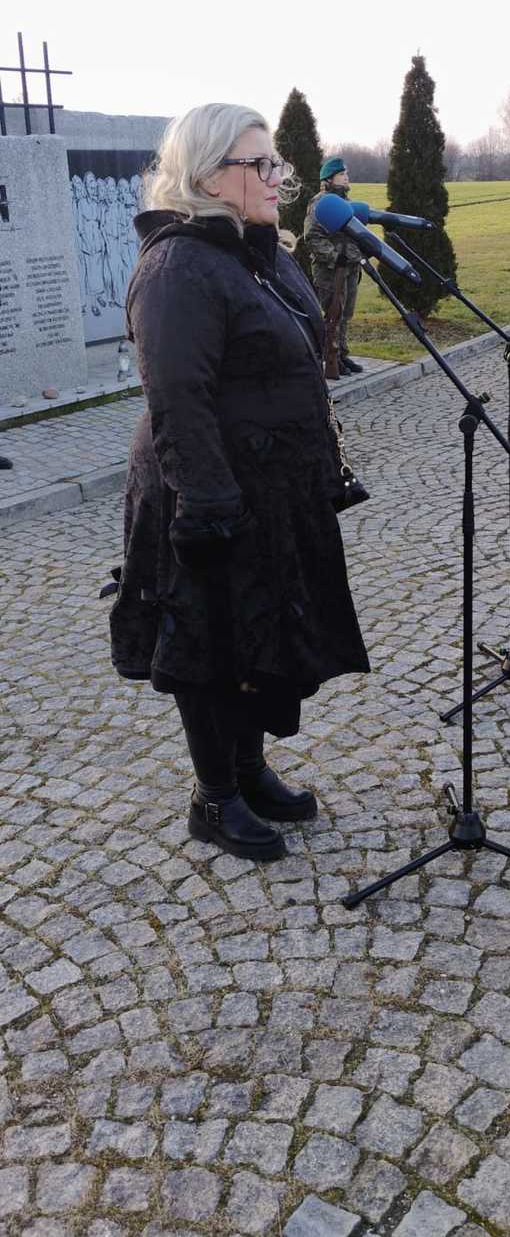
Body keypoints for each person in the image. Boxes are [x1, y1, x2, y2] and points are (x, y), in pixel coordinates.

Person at [108, 104, 369, 862]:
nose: (276, 178)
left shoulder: (262, 252)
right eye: (259, 165)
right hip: (204, 490)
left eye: (275, 163)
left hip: (271, 487)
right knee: (209, 642)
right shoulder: (177, 265)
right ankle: (213, 797)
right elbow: (177, 396)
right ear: (206, 175)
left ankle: (251, 770)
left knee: (261, 633)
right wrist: (209, 503)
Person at [303, 157, 364, 377]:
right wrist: (334, 257)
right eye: (341, 174)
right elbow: (312, 236)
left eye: (346, 173)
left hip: (350, 266)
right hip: (330, 270)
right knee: (332, 314)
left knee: (346, 313)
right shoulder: (320, 203)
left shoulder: (346, 203)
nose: (346, 177)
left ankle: (342, 355)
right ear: (328, 179)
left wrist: (358, 256)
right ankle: (331, 358)